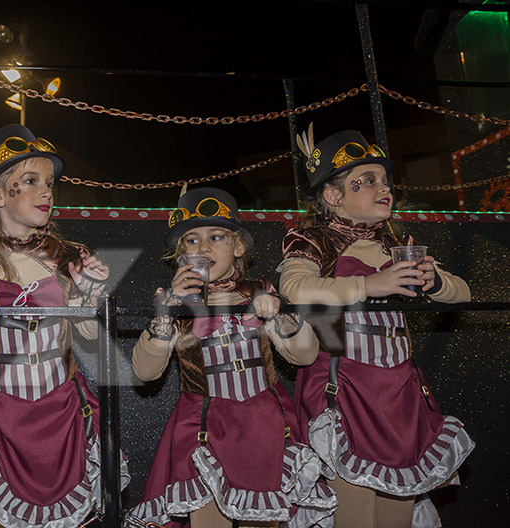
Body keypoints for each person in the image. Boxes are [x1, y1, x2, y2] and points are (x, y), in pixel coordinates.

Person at [0, 124, 128, 527]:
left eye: (49, 182)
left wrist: (90, 296)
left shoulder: (71, 255)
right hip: (0, 416)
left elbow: (90, 337)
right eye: (30, 181)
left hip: (66, 413)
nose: (47, 191)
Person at [279, 128, 475, 528]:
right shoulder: (315, 241)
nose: (383, 188)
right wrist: (372, 285)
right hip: (344, 387)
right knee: (356, 517)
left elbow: (464, 294)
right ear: (333, 196)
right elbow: (294, 288)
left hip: (399, 391)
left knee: (396, 515)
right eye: (365, 181)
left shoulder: (395, 245)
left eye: (384, 181)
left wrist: (433, 281)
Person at [129, 187, 336, 528]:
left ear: (238, 246)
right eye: (191, 241)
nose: (203, 248)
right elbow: (146, 372)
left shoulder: (261, 293)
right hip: (202, 428)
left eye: (216, 236)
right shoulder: (176, 306)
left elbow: (305, 355)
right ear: (180, 256)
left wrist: (280, 315)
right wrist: (164, 316)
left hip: (263, 426)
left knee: (263, 515)